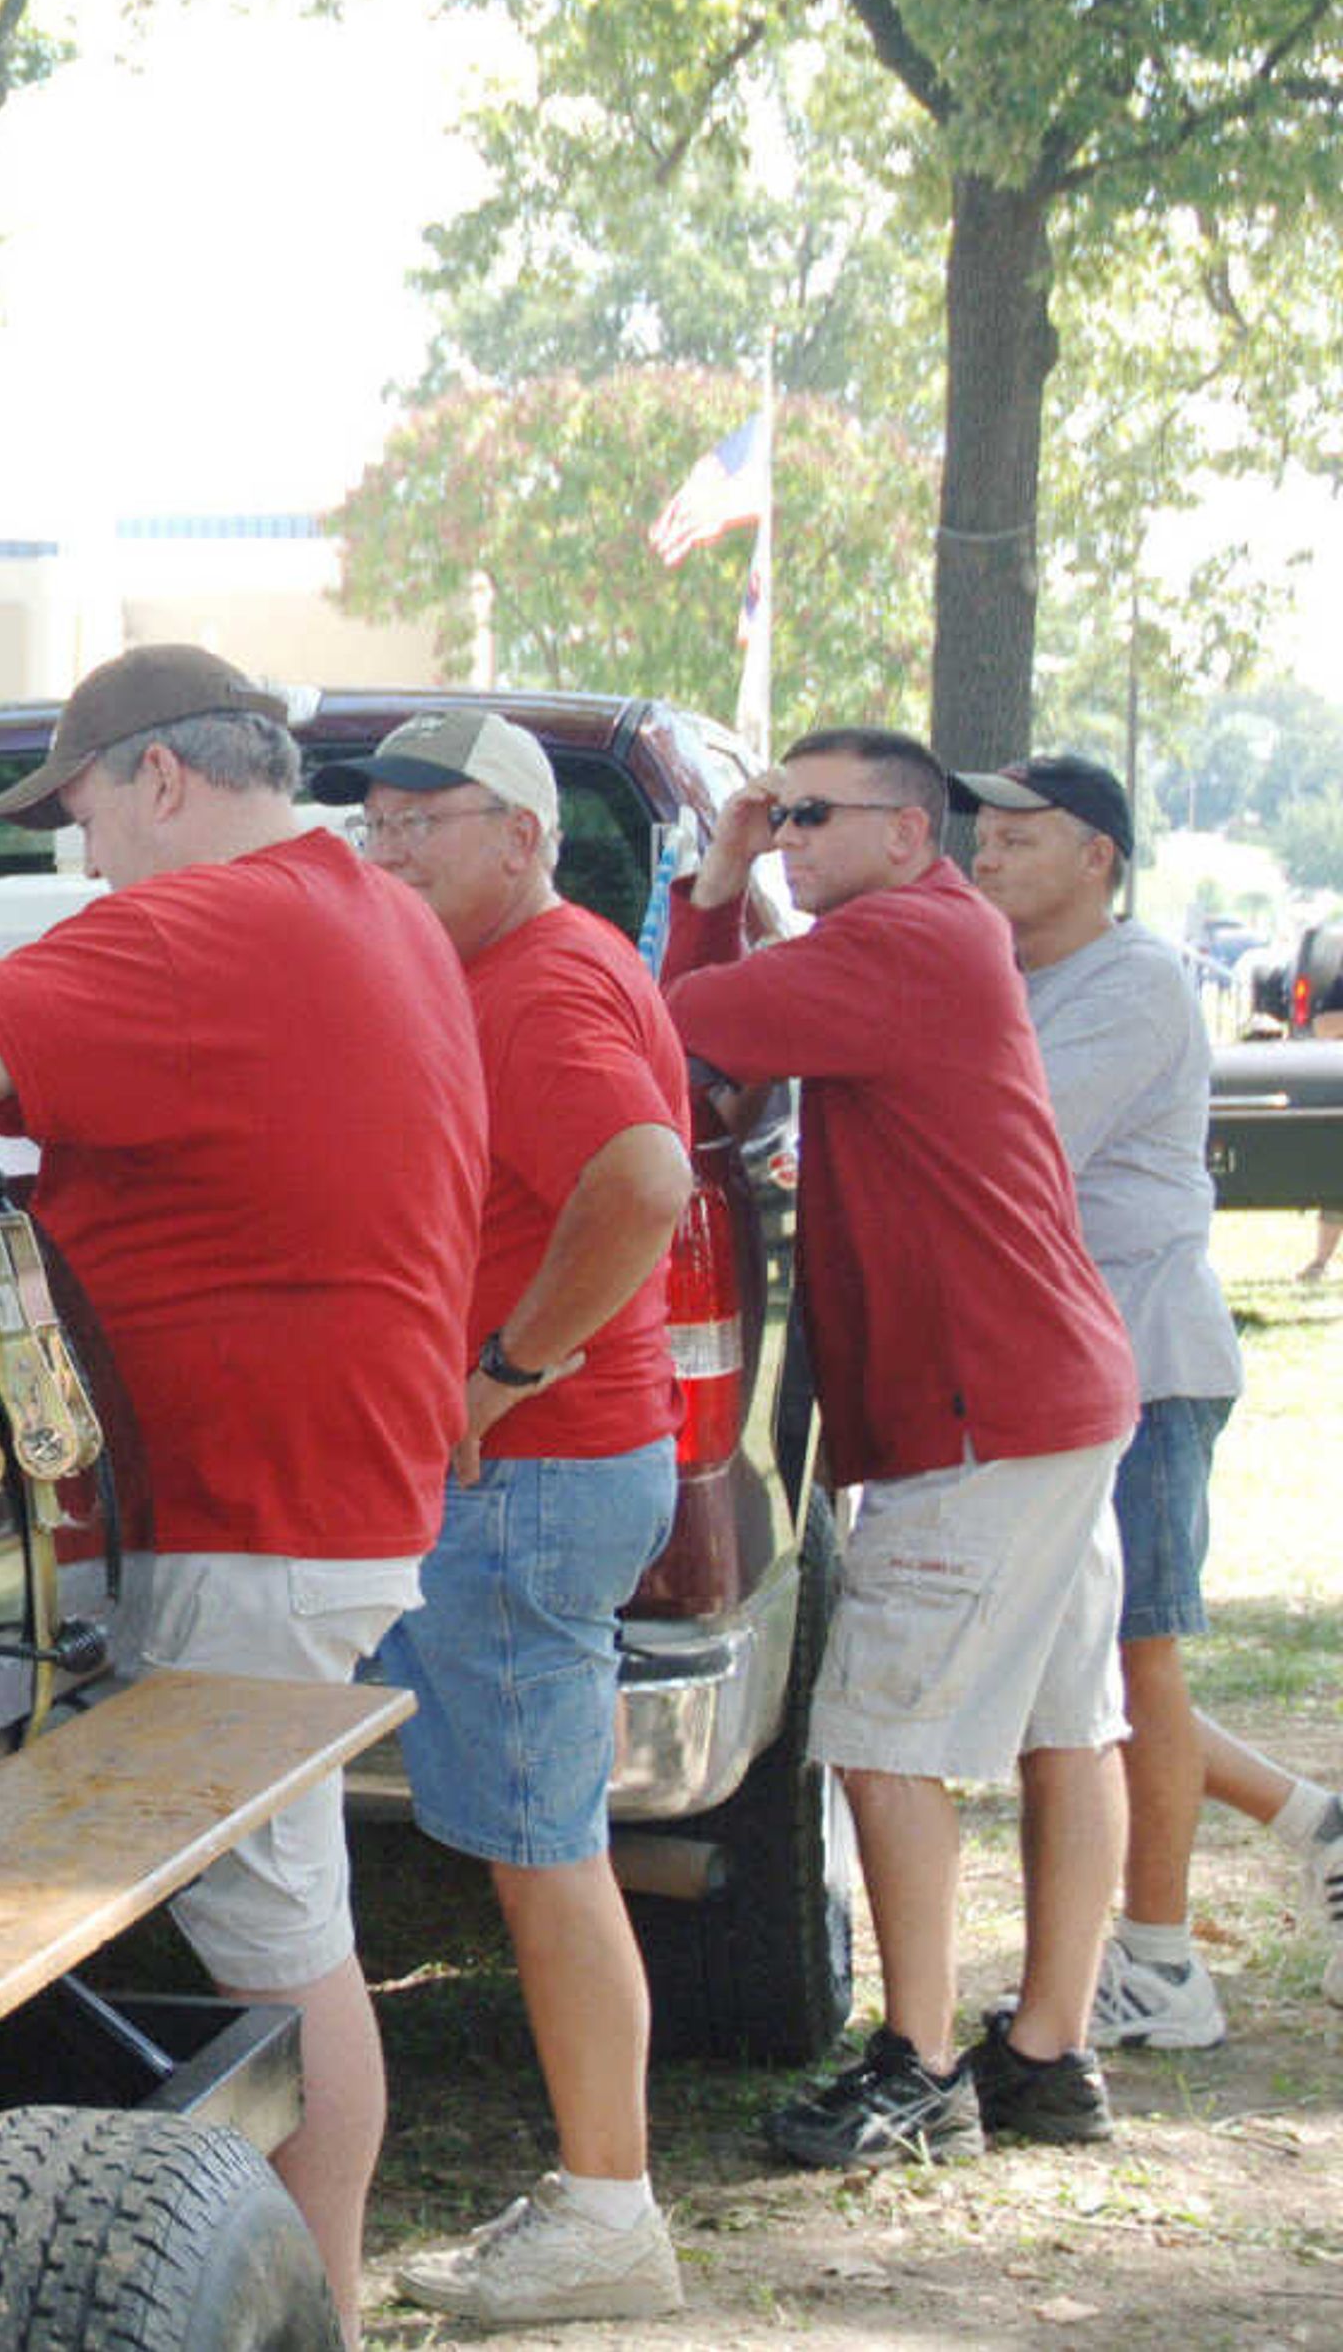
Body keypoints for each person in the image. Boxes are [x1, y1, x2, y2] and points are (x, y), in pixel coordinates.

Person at [0, 643, 484, 2332]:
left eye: (83, 815)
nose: (85, 854)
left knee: (279, 1949)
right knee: (281, 1917)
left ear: (162, 779)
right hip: (329, 1480)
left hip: (254, 1505)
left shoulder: (208, 922)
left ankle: (310, 2305)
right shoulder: (369, 906)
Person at [662, 726, 1138, 2168]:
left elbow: (669, 1038)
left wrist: (716, 876)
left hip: (980, 1410)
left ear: (907, 834)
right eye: (775, 811)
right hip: (1043, 1391)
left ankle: (920, 2064)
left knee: (881, 1738)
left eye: (812, 814)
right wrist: (745, 870)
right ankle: (1048, 2053)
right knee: (1071, 1721)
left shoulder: (902, 943)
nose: (787, 832)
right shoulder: (925, 939)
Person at [316, 714, 695, 2322]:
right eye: (377, 826)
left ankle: (613, 2212)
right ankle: (601, 2193)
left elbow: (644, 1176)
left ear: (523, 836)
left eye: (427, 824)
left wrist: (503, 1374)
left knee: (548, 1852)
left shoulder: (542, 986)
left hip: (531, 1475)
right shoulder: (523, 961)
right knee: (539, 1842)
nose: (389, 851)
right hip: (536, 1469)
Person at [961, 753, 1343, 2031]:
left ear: (1098, 860)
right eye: (986, 833)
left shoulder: (1135, 985)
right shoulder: (1015, 974)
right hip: (1056, 1371)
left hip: (1141, 1361)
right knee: (1087, 1674)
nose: (990, 853)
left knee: (1137, 1661)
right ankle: (1315, 1820)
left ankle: (1165, 1965)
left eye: (1023, 836)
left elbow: (1017, 1143)